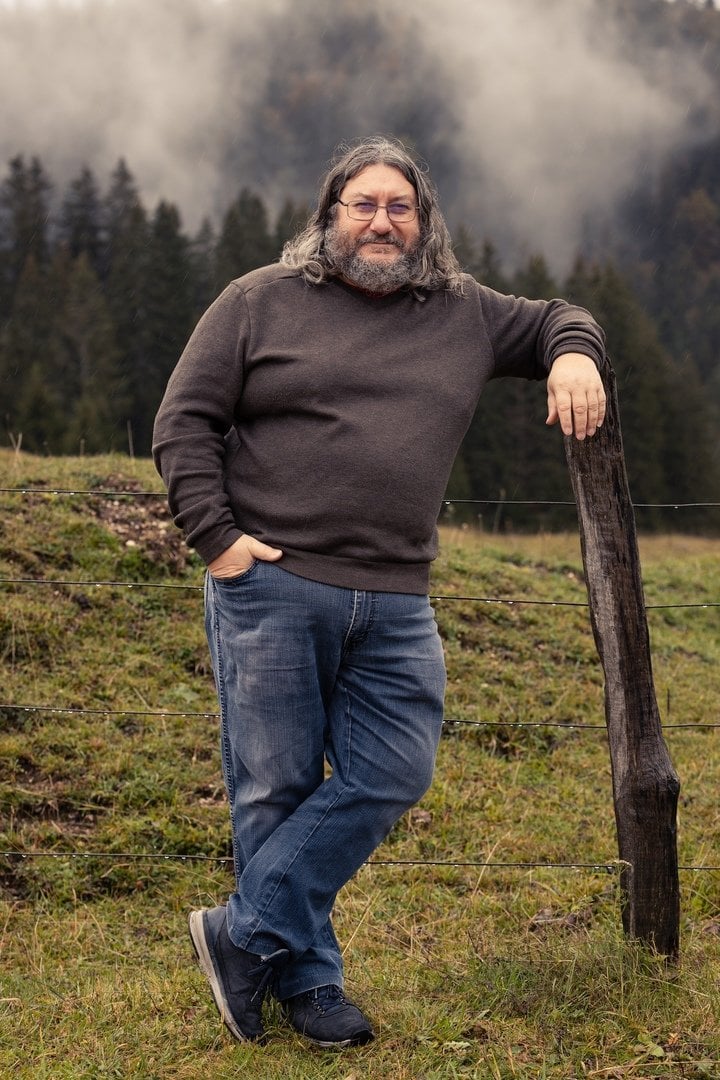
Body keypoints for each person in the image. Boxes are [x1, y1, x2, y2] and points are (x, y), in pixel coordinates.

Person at [152, 135, 607, 1049]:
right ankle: (311, 987)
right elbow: (184, 421)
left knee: (394, 770)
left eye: (399, 207)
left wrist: (573, 356)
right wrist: (219, 541)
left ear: (425, 225)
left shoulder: (465, 313)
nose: (380, 221)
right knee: (273, 787)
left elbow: (561, 313)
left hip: (397, 598)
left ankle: (240, 938)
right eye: (361, 204)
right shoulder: (258, 301)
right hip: (272, 583)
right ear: (329, 216)